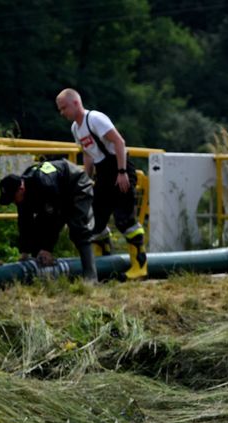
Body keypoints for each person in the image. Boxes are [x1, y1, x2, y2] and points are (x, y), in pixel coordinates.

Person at [54, 87, 146, 280]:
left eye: (64, 108)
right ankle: (105, 265)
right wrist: (85, 181)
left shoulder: (94, 118)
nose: (62, 113)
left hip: (119, 168)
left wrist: (122, 172)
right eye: (60, 110)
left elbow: (119, 142)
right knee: (95, 221)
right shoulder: (75, 129)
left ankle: (140, 267)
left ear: (76, 103)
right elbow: (88, 155)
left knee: (125, 220)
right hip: (102, 173)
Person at [0, 159, 97, 282]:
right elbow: (25, 222)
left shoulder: (44, 184)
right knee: (38, 226)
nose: (13, 202)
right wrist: (25, 251)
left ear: (21, 189)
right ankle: (39, 272)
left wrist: (47, 248)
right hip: (59, 192)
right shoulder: (23, 192)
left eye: (12, 198)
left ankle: (91, 277)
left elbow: (56, 217)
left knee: (78, 229)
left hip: (76, 184)